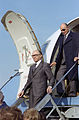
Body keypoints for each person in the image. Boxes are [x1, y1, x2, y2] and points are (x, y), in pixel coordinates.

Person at [50, 23, 79, 97]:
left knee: (72, 76)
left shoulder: (75, 36)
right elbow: (60, 51)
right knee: (59, 75)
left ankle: (72, 93)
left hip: (72, 60)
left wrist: (78, 56)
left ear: (68, 28)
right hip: (62, 61)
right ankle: (61, 92)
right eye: (61, 30)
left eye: (63, 29)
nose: (62, 31)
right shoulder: (61, 38)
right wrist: (56, 61)